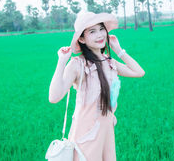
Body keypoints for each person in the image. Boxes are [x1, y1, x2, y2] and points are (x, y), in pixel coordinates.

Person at [48, 11, 145, 161]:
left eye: (101, 29)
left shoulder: (110, 62)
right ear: (82, 39)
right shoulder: (78, 64)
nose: (100, 35)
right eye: (92, 32)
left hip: (106, 130)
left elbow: (139, 72)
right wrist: (61, 62)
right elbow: (54, 97)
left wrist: (119, 50)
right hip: (85, 134)